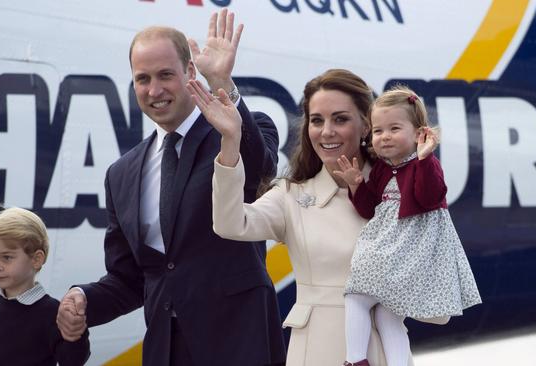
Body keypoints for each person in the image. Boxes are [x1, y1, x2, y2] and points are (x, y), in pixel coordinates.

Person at [55, 9, 285, 366]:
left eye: (165, 75)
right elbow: (131, 278)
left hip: (239, 345)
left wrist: (223, 84)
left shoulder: (238, 130)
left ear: (190, 72)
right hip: (165, 351)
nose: (154, 90)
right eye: (142, 79)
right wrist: (84, 299)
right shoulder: (122, 174)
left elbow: (259, 169)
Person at [193, 69, 445, 366]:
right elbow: (229, 223)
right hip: (315, 353)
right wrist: (230, 143)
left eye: (340, 119)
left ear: (366, 126)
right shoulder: (292, 196)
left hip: (383, 354)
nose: (326, 131)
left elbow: (436, 307)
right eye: (317, 120)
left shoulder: (403, 193)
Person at [337, 86, 482, 366]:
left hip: (410, 250)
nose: (385, 136)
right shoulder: (382, 169)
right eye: (378, 131)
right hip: (393, 246)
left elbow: (430, 197)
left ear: (419, 134)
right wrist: (356, 184)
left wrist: (425, 159)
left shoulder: (425, 164)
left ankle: (355, 360)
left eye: (394, 128)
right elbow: (370, 209)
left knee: (356, 295)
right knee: (386, 313)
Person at [0, 207, 90, 366]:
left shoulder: (52, 312)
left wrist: (75, 333)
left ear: (36, 259)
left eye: (7, 257)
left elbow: (73, 360)